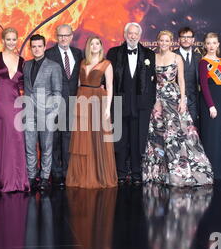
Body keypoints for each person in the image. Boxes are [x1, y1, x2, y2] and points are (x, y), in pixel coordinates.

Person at [141, 30, 213, 186]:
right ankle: (159, 173)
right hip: (157, 98)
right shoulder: (152, 57)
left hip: (173, 98)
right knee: (158, 134)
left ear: (171, 42)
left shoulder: (176, 57)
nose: (164, 43)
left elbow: (181, 79)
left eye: (167, 41)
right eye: (162, 40)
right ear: (158, 41)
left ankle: (179, 172)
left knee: (177, 135)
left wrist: (182, 100)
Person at [106, 22, 156, 185]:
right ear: (125, 34)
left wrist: (151, 102)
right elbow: (108, 79)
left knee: (137, 140)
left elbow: (153, 82)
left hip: (141, 105)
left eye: (135, 34)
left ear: (140, 36)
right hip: (119, 102)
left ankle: (136, 173)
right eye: (130, 33)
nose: (132, 36)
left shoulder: (149, 54)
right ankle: (120, 173)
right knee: (119, 140)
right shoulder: (113, 53)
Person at [66, 36, 118, 188]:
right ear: (88, 46)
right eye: (92, 44)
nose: (94, 46)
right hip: (82, 100)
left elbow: (109, 87)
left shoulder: (106, 64)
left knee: (97, 139)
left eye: (97, 43)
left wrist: (108, 108)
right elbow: (79, 84)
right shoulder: (83, 62)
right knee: (83, 139)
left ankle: (98, 175)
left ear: (101, 46)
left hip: (98, 101)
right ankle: (81, 175)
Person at [0, 28, 29, 192]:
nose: (12, 42)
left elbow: (22, 84)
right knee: (5, 133)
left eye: (14, 39)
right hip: (0, 99)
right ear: (3, 40)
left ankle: (19, 179)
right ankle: (2, 178)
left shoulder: (22, 60)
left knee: (18, 137)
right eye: (9, 39)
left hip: (16, 101)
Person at [45, 24, 83, 187]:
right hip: (54, 102)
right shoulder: (49, 54)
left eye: (66, 35)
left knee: (68, 137)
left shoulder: (78, 53)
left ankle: (68, 172)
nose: (63, 38)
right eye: (60, 35)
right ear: (56, 36)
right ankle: (56, 173)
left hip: (73, 101)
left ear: (71, 36)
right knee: (53, 138)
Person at [23, 34, 62, 191]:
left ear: (44, 47)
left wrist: (53, 113)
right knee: (30, 146)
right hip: (29, 113)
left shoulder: (54, 66)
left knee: (46, 147)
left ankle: (45, 177)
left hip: (47, 113)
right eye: (34, 46)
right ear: (30, 48)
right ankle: (32, 176)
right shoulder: (26, 65)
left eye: (40, 46)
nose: (37, 49)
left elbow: (57, 92)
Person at [199, 32, 221, 180]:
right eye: (208, 43)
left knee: (218, 137)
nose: (211, 46)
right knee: (210, 137)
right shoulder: (203, 62)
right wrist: (211, 106)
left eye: (214, 43)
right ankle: (208, 173)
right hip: (209, 102)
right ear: (205, 45)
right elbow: (203, 85)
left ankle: (218, 172)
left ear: (218, 44)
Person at [174, 27, 202, 130]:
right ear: (179, 39)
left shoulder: (198, 56)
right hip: (177, 99)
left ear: (193, 40)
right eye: (183, 37)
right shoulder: (173, 55)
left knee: (193, 130)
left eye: (188, 37)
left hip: (194, 100)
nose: (186, 39)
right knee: (178, 129)